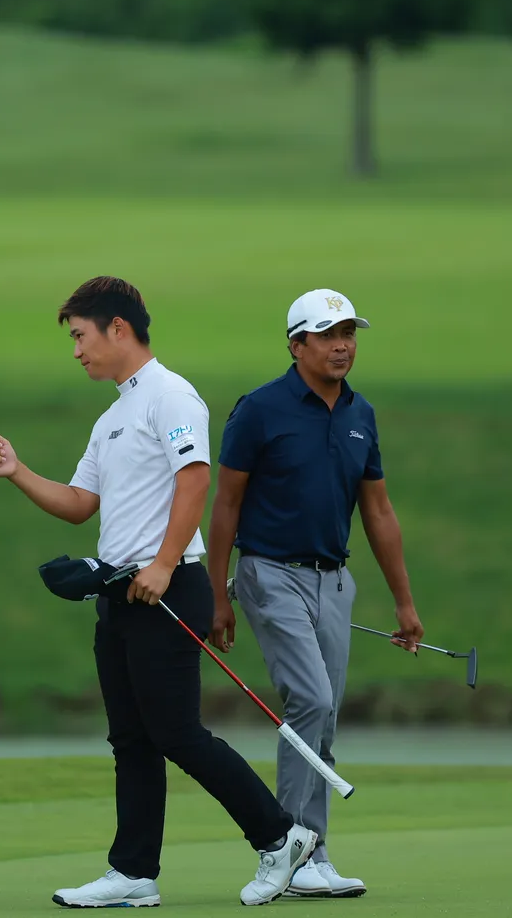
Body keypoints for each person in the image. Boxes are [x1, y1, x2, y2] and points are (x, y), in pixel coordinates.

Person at [0, 276, 317, 908]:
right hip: (121, 593)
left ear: (117, 328)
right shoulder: (112, 418)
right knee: (132, 740)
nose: (76, 351)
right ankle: (134, 872)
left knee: (177, 734)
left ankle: (280, 837)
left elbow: (195, 479)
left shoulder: (170, 395)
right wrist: (17, 471)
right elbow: (79, 504)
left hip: (166, 587)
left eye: (80, 336)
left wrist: (164, 563)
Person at [206, 288, 425, 898]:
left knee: (322, 719)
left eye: (349, 333)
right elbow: (225, 504)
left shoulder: (360, 414)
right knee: (311, 699)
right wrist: (217, 594)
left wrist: (404, 602)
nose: (342, 346)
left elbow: (378, 513)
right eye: (328, 335)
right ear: (296, 345)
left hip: (335, 580)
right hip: (269, 574)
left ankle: (312, 855)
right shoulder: (259, 409)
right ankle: (284, 845)